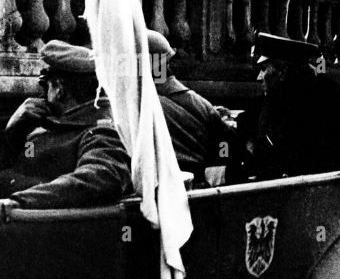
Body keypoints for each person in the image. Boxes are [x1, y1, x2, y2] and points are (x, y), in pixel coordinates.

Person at [0, 41, 131, 214]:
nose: (42, 94)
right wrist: (13, 129)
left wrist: (19, 202)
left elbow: (101, 178)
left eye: (45, 85)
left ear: (59, 88)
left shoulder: (101, 132)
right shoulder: (57, 125)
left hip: (28, 225)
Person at [248, 32, 340, 178]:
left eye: (264, 68)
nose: (259, 76)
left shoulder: (310, 106)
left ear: (283, 72)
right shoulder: (286, 95)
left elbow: (284, 161)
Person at [146, 32, 238, 181]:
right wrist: (220, 164)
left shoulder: (143, 106)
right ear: (167, 62)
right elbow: (225, 140)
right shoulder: (202, 104)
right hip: (199, 188)